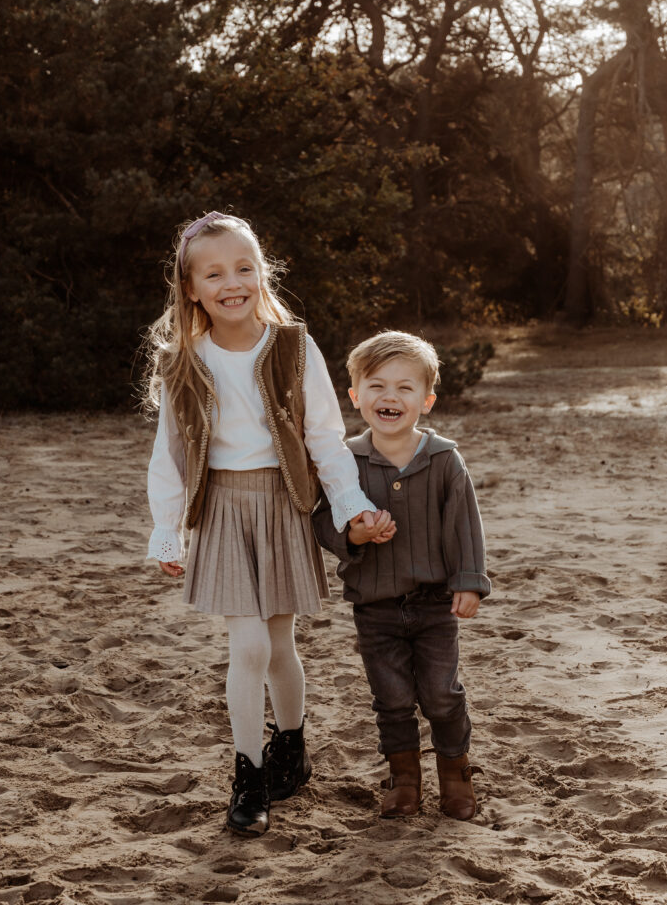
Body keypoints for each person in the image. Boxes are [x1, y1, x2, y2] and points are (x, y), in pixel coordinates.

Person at [143, 211, 394, 838]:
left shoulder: (292, 346)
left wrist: (350, 506)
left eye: (244, 267)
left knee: (280, 645)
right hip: (223, 508)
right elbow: (170, 450)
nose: (233, 282)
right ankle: (249, 774)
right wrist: (168, 527)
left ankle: (292, 748)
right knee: (248, 645)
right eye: (215, 272)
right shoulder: (184, 359)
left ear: (262, 273)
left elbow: (326, 438)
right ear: (192, 287)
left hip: (282, 505)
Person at [312, 330, 491, 821]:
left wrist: (469, 580)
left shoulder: (442, 459)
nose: (389, 397)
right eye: (376, 385)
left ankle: (455, 773)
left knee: (440, 693)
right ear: (354, 395)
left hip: (435, 603)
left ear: (426, 400)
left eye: (404, 388)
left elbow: (464, 522)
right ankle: (404, 778)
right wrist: (356, 538)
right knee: (390, 698)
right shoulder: (342, 461)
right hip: (374, 605)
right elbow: (322, 522)